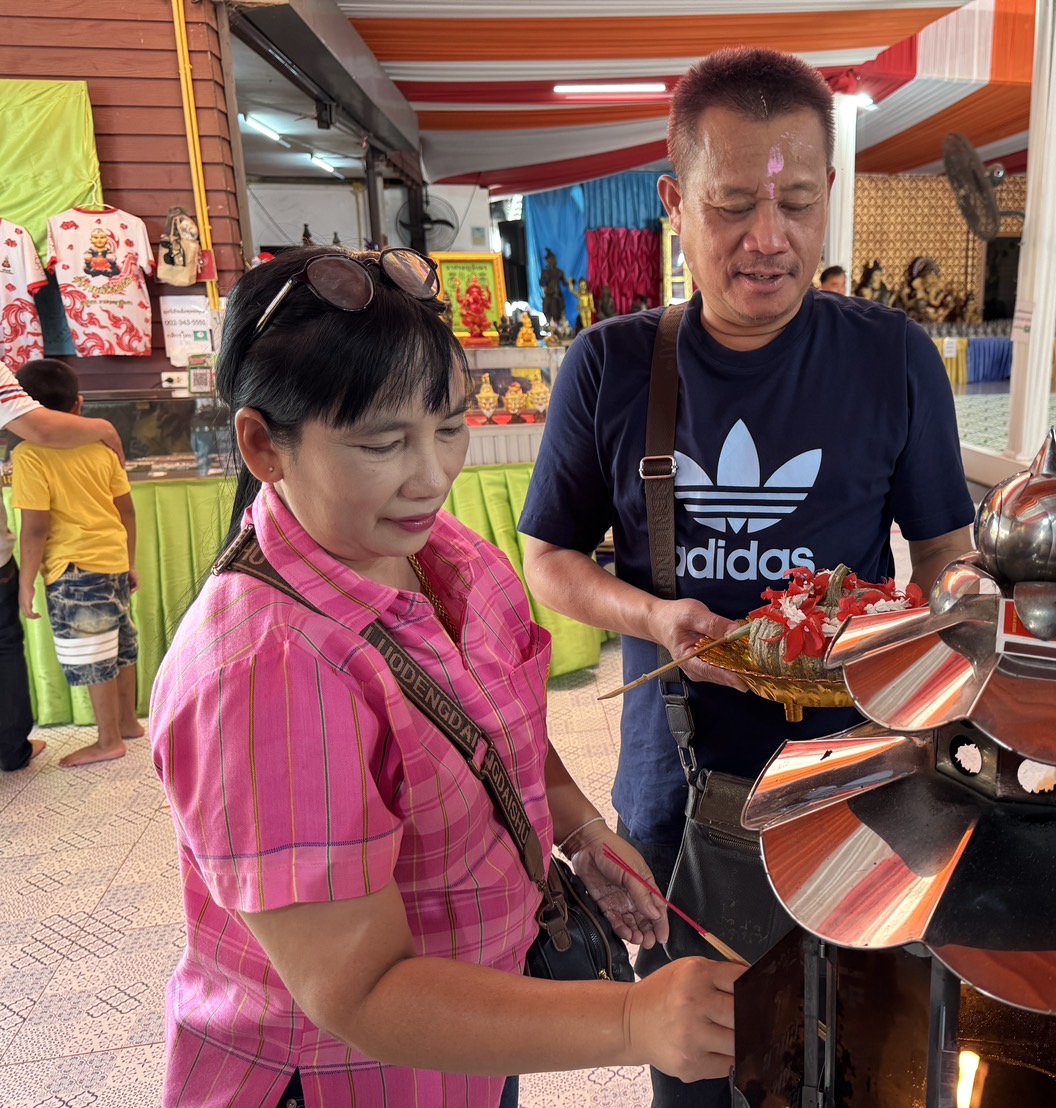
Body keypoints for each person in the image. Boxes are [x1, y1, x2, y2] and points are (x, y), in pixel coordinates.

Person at [146, 246, 741, 1107]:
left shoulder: (445, 554)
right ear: (263, 445)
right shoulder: (265, 672)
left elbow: (497, 728)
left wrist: (577, 826)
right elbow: (360, 990)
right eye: (382, 443)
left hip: (474, 1031)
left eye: (449, 427)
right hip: (350, 1079)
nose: (431, 478)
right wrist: (630, 1020)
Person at [519, 47, 974, 1108]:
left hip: (858, 783)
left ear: (828, 197)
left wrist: (939, 652)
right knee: (702, 1068)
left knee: (855, 1059)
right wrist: (651, 614)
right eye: (731, 205)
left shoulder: (892, 357)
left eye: (797, 204)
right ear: (674, 201)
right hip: (679, 792)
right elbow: (550, 563)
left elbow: (945, 557)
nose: (768, 238)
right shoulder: (611, 365)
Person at [11, 358, 142, 769]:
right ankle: (128, 724)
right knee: (120, 647)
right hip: (112, 561)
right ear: (78, 404)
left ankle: (108, 741)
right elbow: (127, 511)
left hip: (73, 570)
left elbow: (35, 528)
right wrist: (129, 561)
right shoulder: (101, 448)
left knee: (93, 655)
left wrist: (26, 581)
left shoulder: (29, 454)